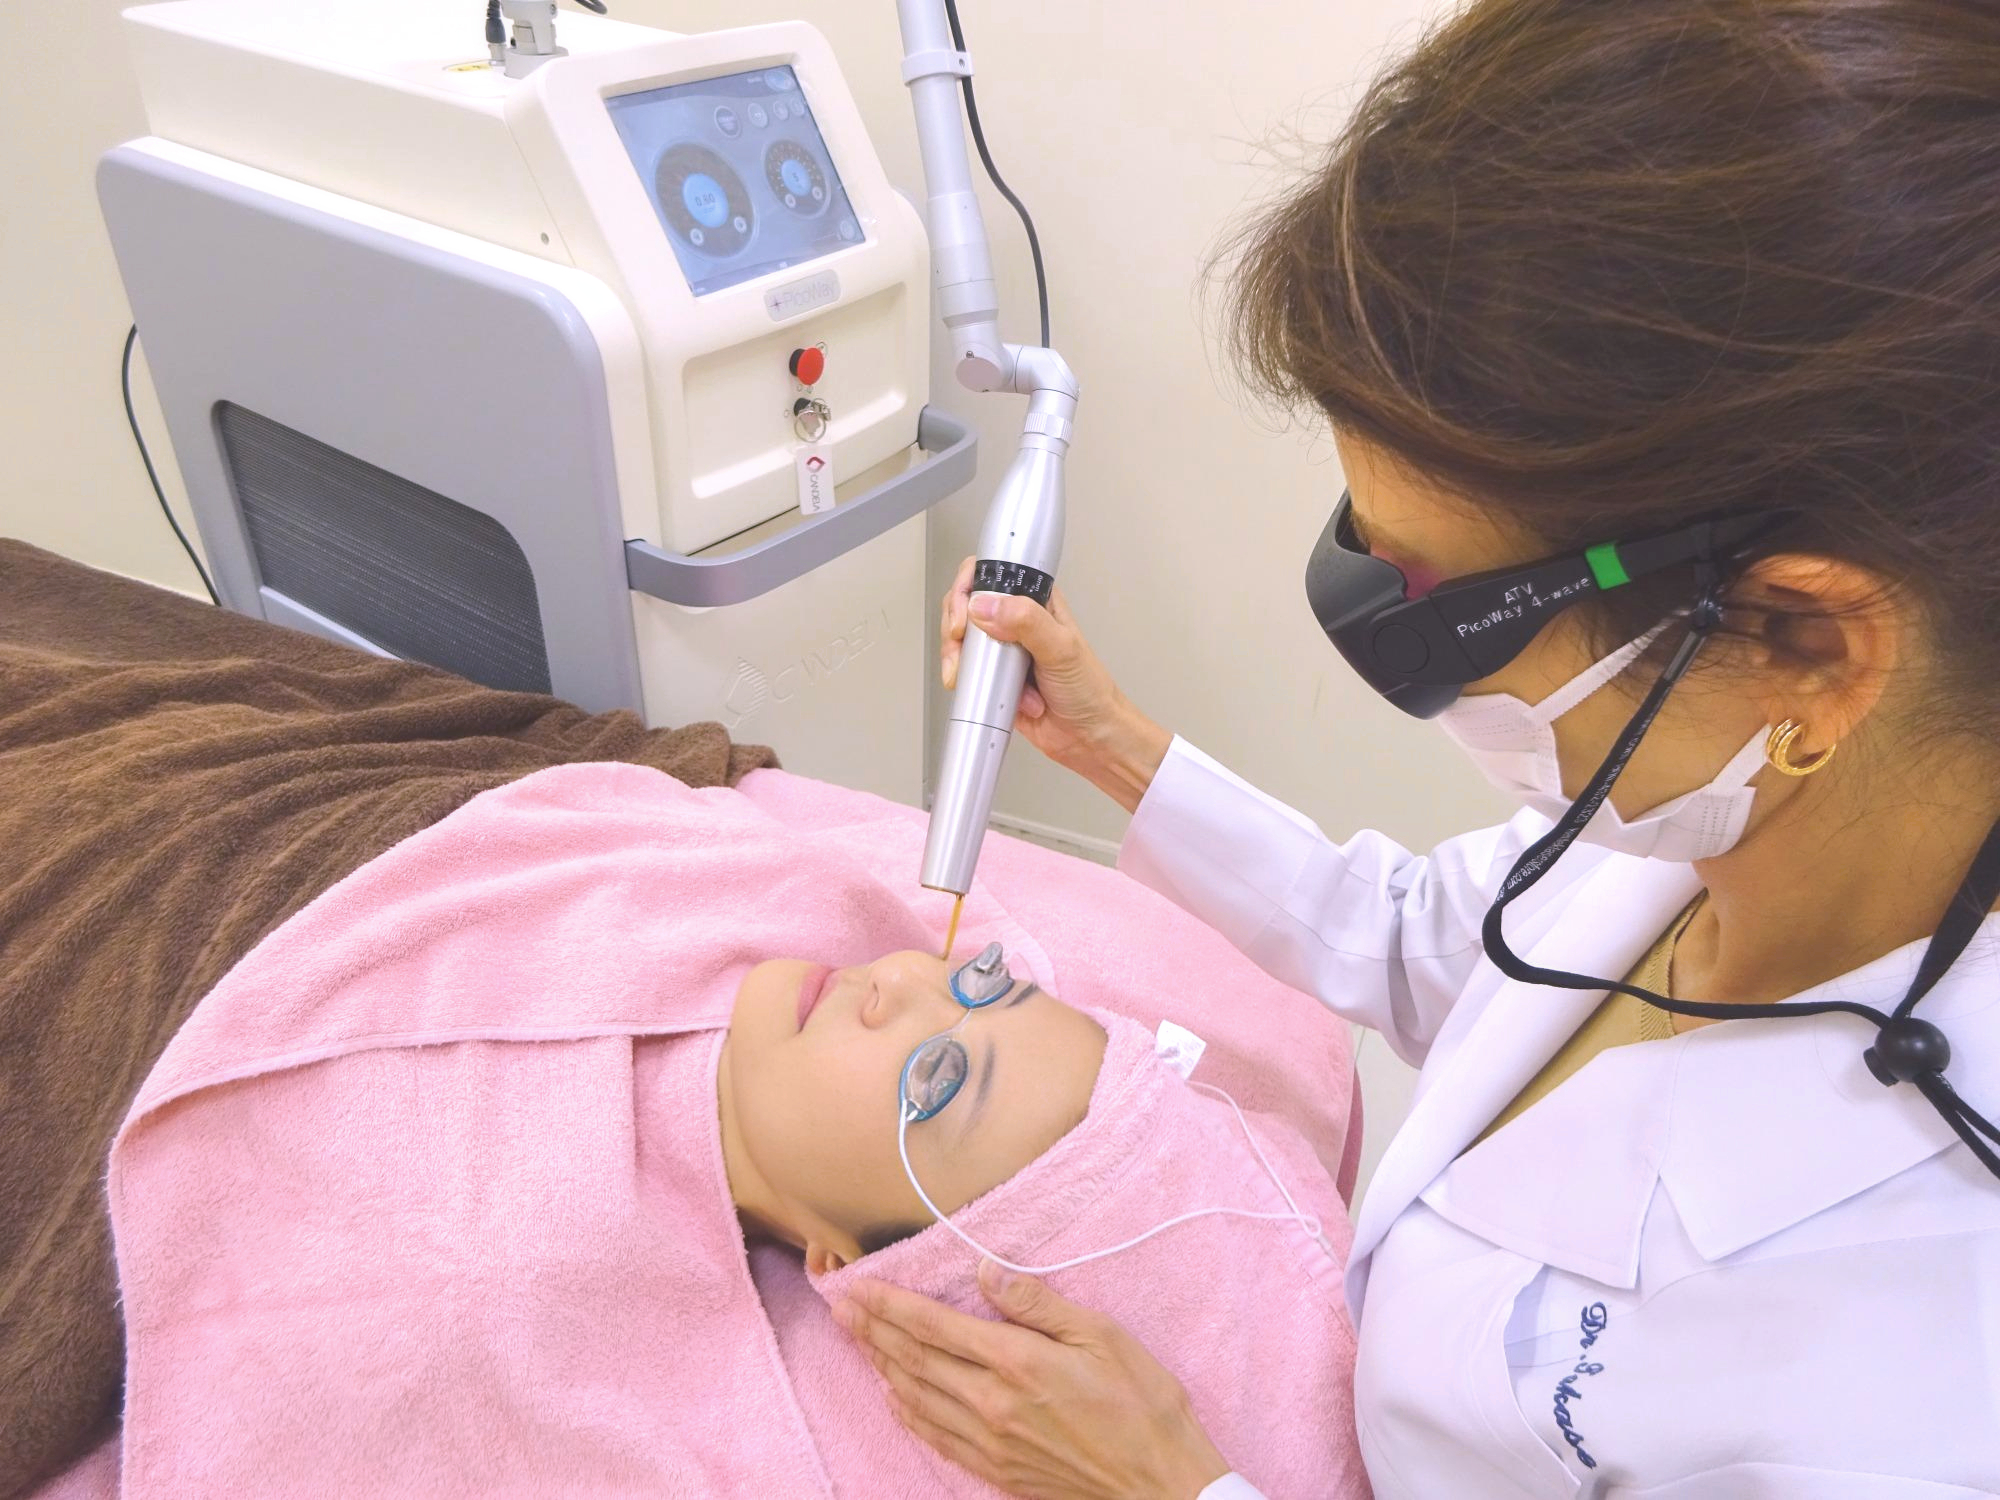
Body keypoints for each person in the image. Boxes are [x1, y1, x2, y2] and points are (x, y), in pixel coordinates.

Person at [833, 1, 2000, 1495]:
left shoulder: (1920, 1385)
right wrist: (1116, 746)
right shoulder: (1709, 804)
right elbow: (1429, 938)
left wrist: (1172, 1486)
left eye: (1432, 609)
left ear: (1802, 643)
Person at [100, 763, 1365, 1499]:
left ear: (847, 1266)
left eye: (932, 1083)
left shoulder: (486, 1293)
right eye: (981, 986)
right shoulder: (779, 874)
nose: (898, 983)